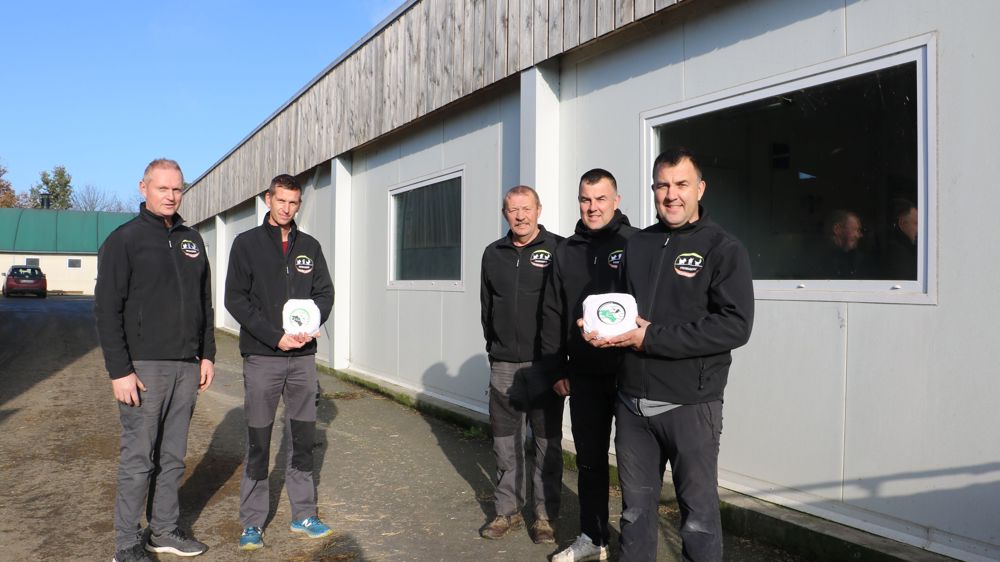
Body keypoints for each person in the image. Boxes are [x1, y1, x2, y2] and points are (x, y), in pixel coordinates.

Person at [588, 147, 754, 561]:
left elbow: (735, 325)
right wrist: (601, 327)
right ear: (653, 189)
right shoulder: (638, 243)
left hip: (690, 405)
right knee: (634, 515)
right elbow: (623, 308)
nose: (671, 194)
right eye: (662, 185)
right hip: (631, 404)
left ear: (700, 188)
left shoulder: (723, 247)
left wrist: (652, 339)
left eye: (681, 184)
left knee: (697, 518)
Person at [95, 158, 216, 562]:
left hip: (186, 365)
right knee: (138, 459)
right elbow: (107, 310)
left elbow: (204, 302)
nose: (170, 195)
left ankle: (162, 531)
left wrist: (207, 354)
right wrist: (120, 371)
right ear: (143, 188)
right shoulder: (124, 241)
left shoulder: (192, 240)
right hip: (143, 368)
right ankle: (126, 543)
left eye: (177, 188)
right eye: (162, 188)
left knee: (172, 458)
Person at [225, 174, 335, 551]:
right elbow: (235, 300)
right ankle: (253, 521)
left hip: (303, 358)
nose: (287, 208)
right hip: (263, 357)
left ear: (299, 204)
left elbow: (324, 293)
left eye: (294, 202)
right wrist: (275, 335)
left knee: (303, 438)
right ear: (268, 199)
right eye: (281, 200)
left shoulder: (311, 246)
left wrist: (310, 325)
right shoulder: (246, 245)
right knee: (258, 439)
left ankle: (303, 513)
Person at [543, 169, 638, 562]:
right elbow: (553, 313)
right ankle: (592, 536)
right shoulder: (566, 251)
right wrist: (557, 367)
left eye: (600, 198)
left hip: (631, 372)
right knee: (590, 461)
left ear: (616, 200)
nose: (592, 206)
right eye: (585, 199)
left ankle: (634, 544)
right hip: (583, 374)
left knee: (634, 466)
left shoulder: (637, 243)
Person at [479, 185, 564, 543]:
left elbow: (565, 307)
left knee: (546, 442)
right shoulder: (492, 253)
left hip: (545, 365)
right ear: (505, 214)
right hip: (503, 364)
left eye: (526, 208)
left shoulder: (558, 249)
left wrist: (562, 363)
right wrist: (495, 347)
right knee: (504, 442)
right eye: (513, 210)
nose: (520, 216)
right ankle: (506, 512)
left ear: (539, 210)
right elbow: (487, 306)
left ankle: (544, 518)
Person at [817, 209, 867, 278]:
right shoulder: (818, 261)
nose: (859, 236)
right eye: (856, 230)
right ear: (837, 229)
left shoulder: (860, 260)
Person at [884, 199, 917, 279]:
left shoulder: (908, 249)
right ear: (902, 223)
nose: (919, 229)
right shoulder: (898, 254)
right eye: (916, 223)